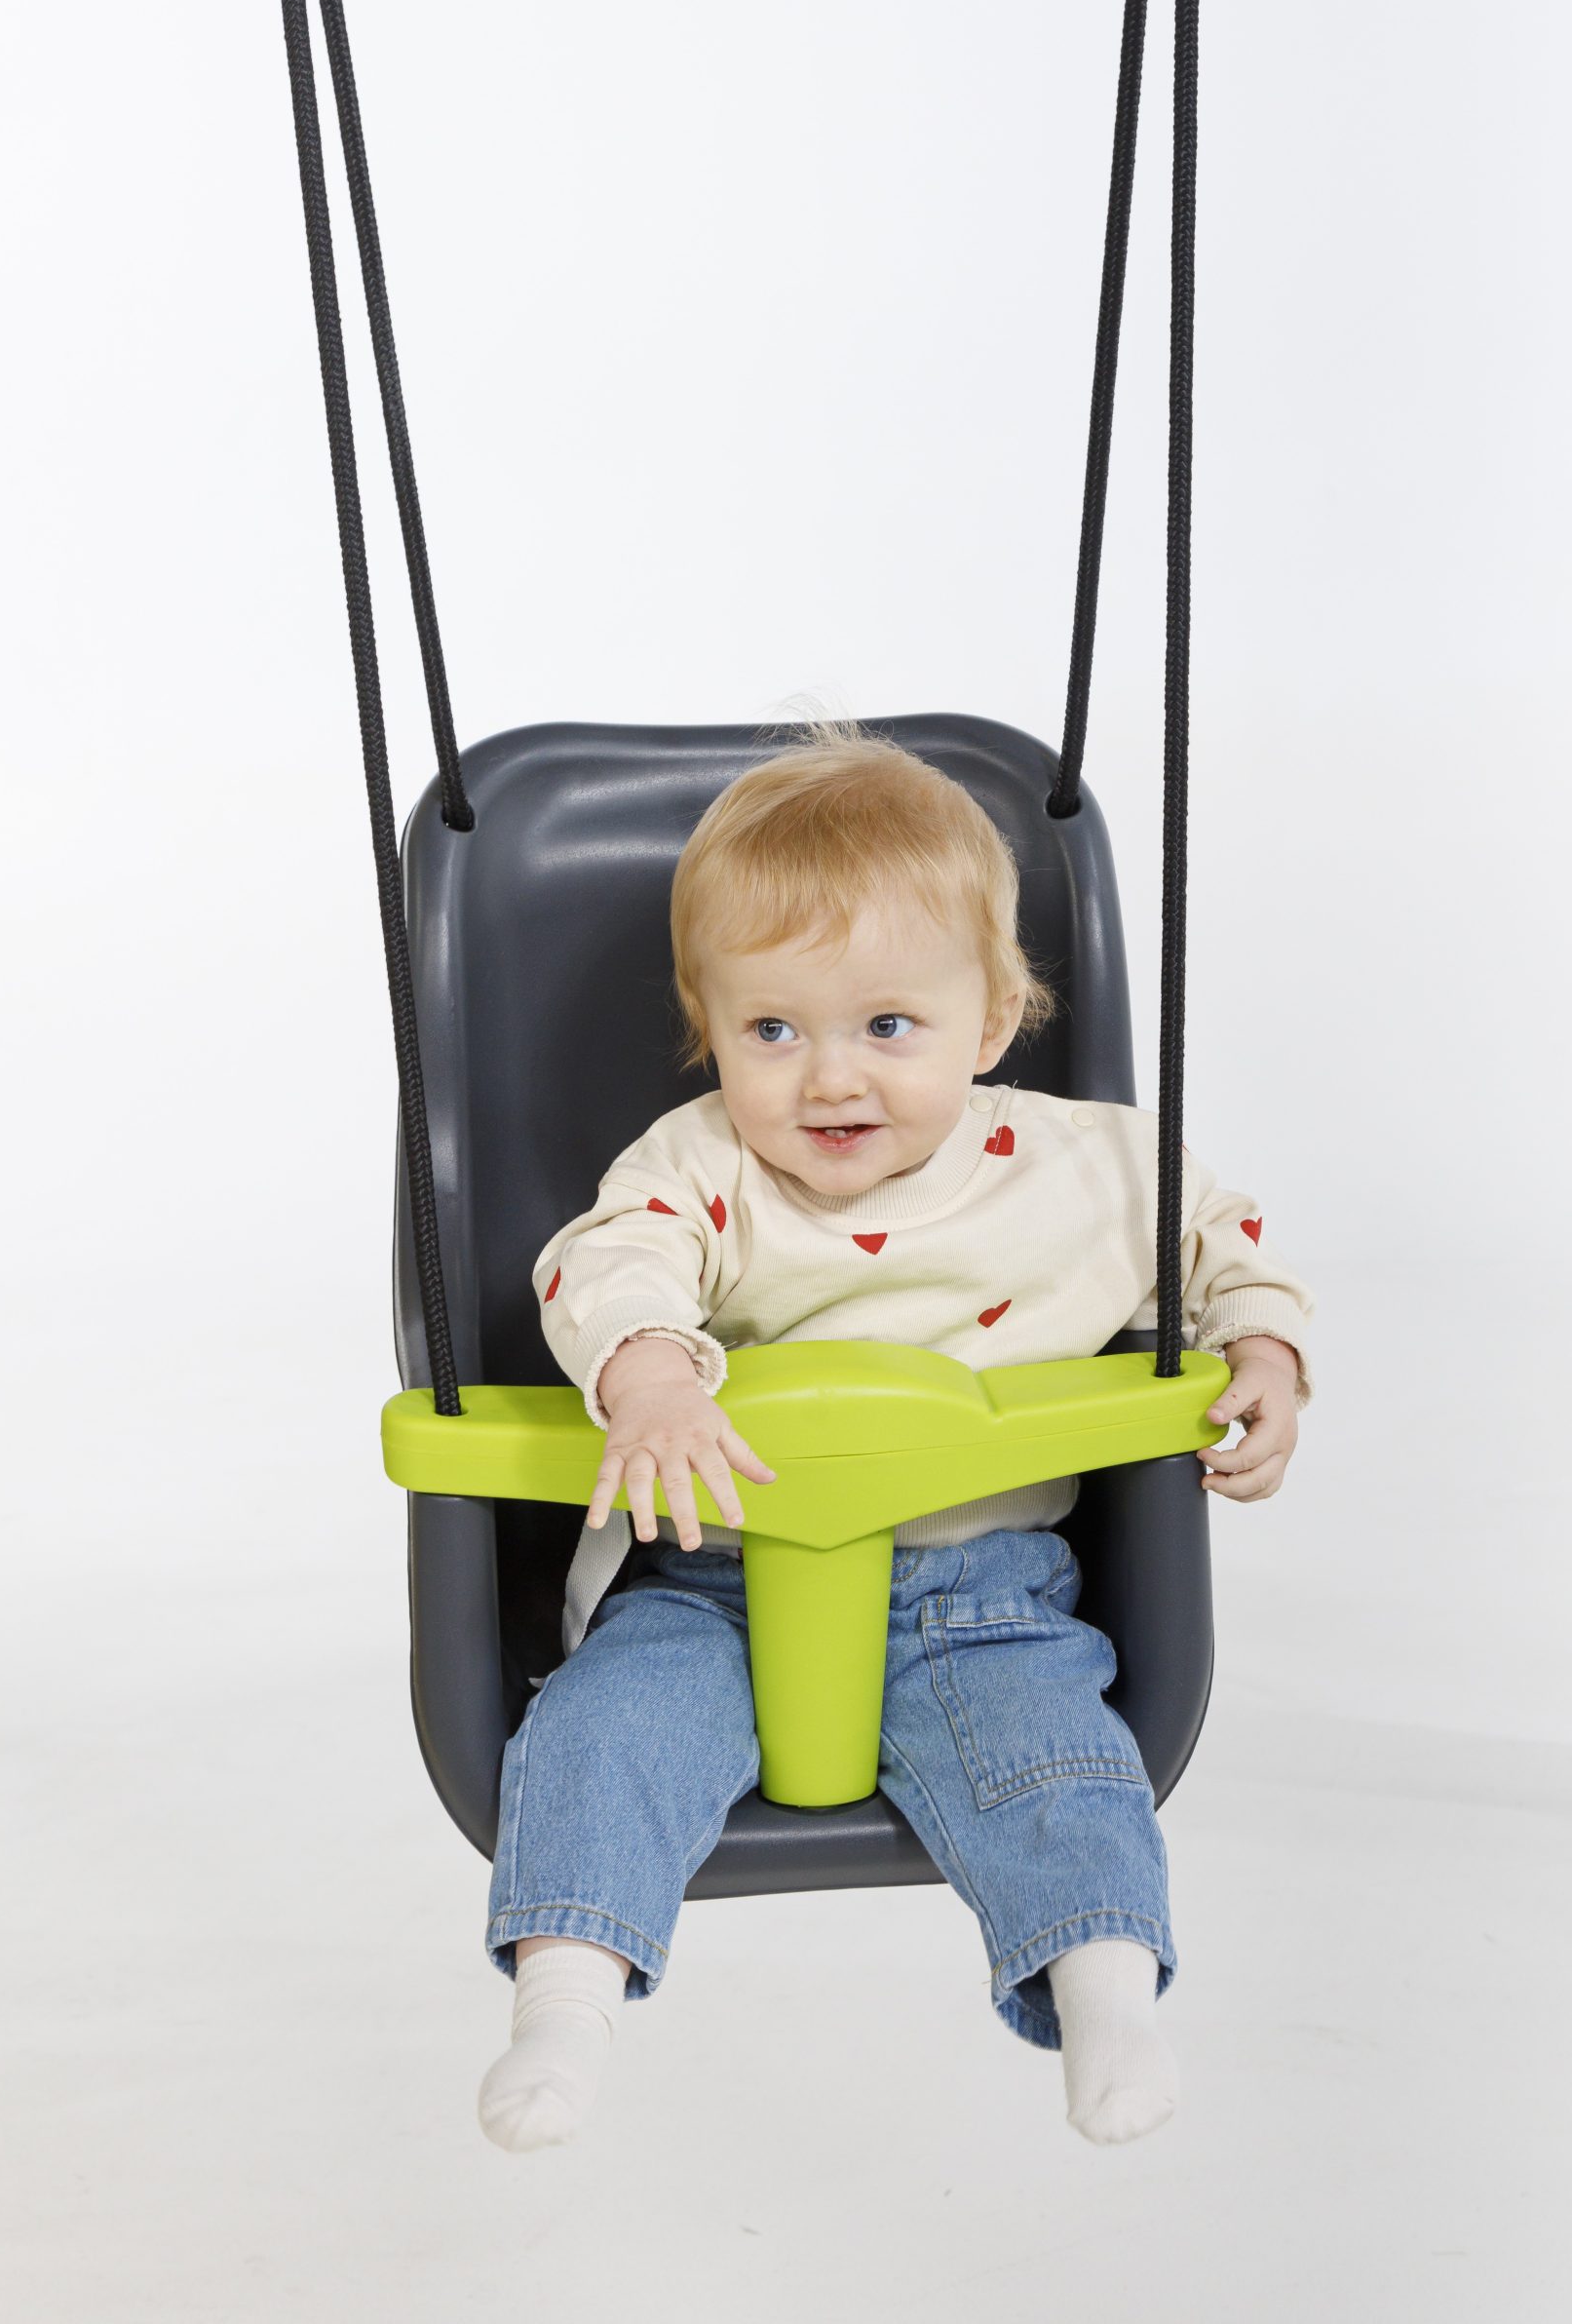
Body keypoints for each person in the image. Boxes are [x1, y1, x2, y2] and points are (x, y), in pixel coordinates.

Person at [478, 722, 1314, 2152]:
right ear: (709, 1025)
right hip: (713, 1576)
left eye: (886, 1027)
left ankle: (1107, 2001)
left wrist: (1265, 1350)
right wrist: (652, 1375)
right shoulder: (701, 1165)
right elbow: (605, 1263)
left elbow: (1218, 1239)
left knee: (1057, 1769)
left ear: (989, 1023)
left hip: (984, 1591)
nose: (828, 1080)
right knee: (599, 1739)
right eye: (772, 1030)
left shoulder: (1087, 1165)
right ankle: (564, 2006)